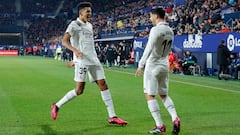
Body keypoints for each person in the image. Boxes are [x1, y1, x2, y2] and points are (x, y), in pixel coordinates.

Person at [51, 2, 128, 126]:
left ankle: (112, 116)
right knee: (79, 90)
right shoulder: (73, 25)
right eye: (87, 11)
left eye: (90, 11)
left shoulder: (90, 26)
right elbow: (64, 41)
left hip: (93, 59)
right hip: (82, 61)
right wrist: (75, 52)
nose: (90, 14)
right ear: (81, 13)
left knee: (103, 85)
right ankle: (57, 105)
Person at [135, 7, 180, 135]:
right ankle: (174, 117)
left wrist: (141, 64)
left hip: (153, 64)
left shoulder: (155, 30)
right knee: (164, 95)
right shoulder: (170, 30)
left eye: (150, 16)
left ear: (156, 16)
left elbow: (149, 48)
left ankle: (160, 125)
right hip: (164, 65)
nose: (150, 18)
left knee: (150, 95)